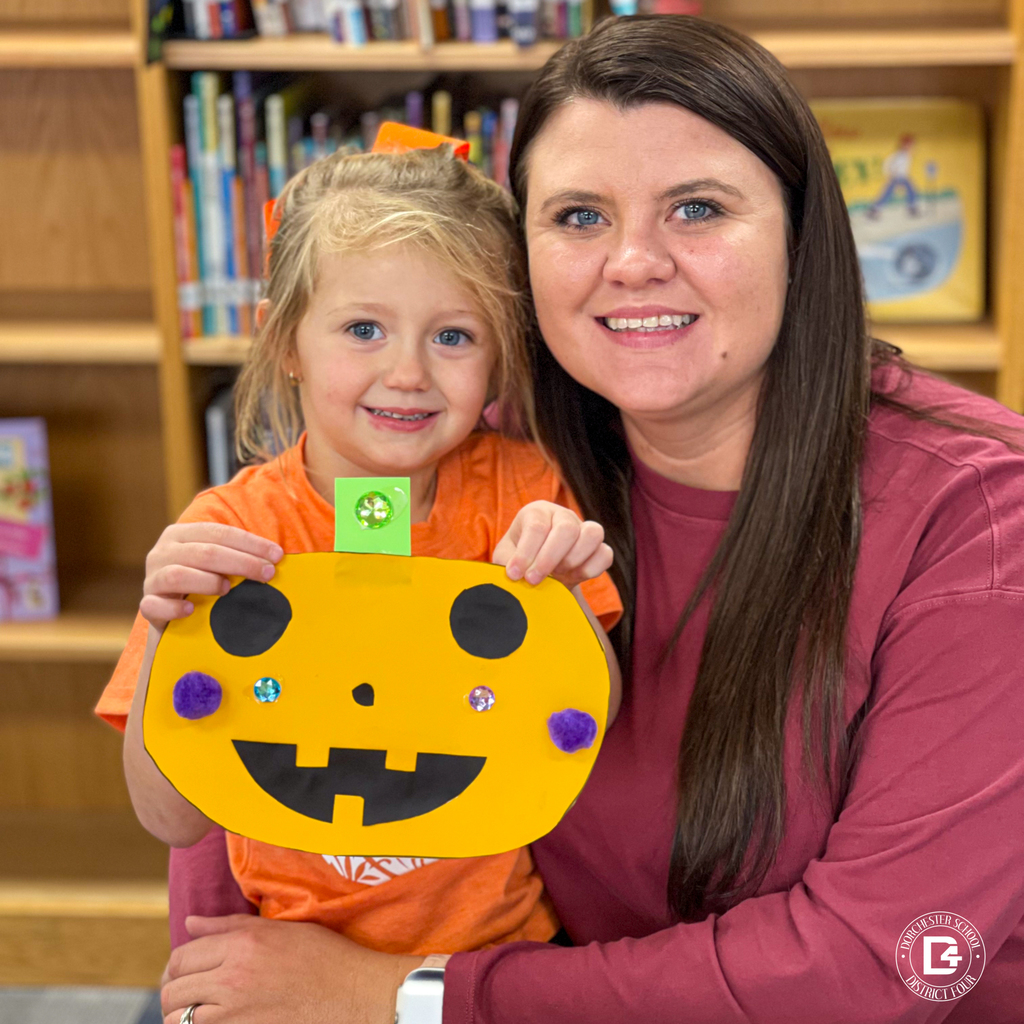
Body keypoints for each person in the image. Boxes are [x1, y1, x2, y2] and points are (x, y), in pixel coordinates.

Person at [122, 16, 1023, 1024]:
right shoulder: (461, 455)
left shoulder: (982, 514)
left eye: (697, 207)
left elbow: (882, 962)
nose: (633, 261)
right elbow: (255, 738)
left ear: (802, 233)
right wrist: (222, 981)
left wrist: (409, 998)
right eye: (579, 216)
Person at [95, 143, 623, 970]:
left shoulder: (521, 493)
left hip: (494, 961)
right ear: (288, 344)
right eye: (363, 329)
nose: (407, 372)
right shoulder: (231, 531)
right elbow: (173, 820)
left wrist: (560, 596)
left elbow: (592, 727)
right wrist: (168, 631)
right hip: (290, 963)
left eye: (453, 335)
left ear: (500, 356)